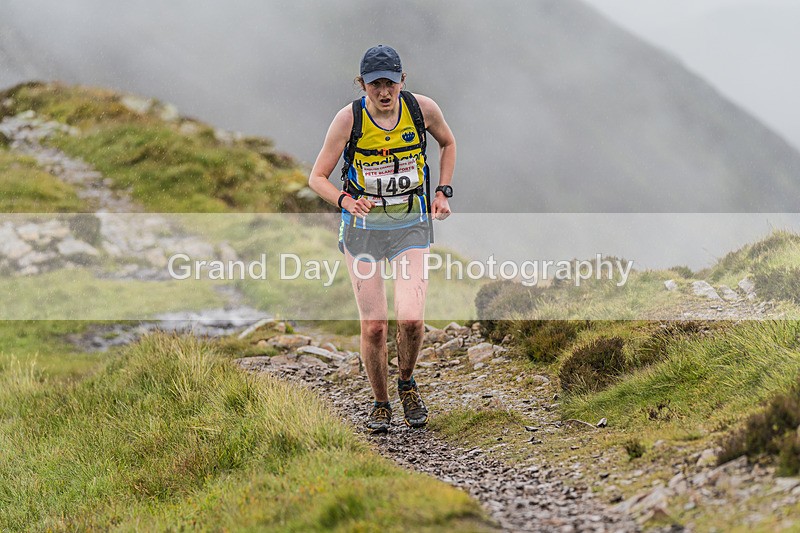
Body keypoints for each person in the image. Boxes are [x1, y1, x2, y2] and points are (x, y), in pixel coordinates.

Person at [308, 44, 456, 433]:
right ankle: (381, 401)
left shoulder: (422, 109)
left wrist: (443, 191)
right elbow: (316, 177)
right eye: (376, 85)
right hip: (364, 232)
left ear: (403, 81)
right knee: (374, 326)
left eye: (391, 83)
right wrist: (345, 200)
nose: (385, 92)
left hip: (410, 226)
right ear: (363, 85)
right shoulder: (348, 120)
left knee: (411, 318)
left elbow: (448, 143)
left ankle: (406, 382)